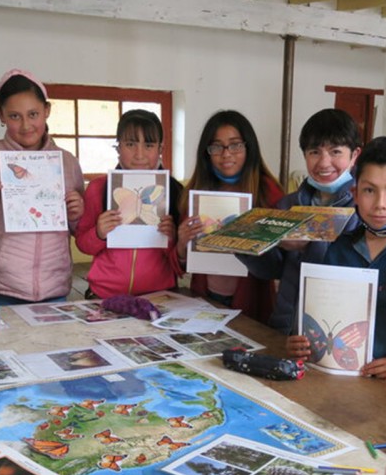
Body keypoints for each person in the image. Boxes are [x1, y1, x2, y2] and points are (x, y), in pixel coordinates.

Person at [286, 136, 386, 393]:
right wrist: (299, 342)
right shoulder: (338, 247)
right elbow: (317, 314)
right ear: (355, 194)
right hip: (333, 382)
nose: (380, 204)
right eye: (369, 190)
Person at [0, 69, 84, 306]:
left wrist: (77, 214)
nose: (26, 125)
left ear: (47, 111)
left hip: (54, 283)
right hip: (2, 285)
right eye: (14, 116)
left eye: (33, 114)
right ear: (0, 115)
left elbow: (79, 229)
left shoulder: (67, 162)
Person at [238, 108, 362, 332]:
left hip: (334, 331)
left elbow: (359, 274)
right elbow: (270, 271)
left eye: (335, 151)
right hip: (285, 326)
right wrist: (246, 244)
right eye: (314, 152)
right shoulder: (289, 205)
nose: (324, 163)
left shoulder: (363, 209)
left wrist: (310, 246)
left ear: (354, 155)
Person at [176, 110, 284, 323]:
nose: (226, 154)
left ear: (249, 148)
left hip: (253, 301)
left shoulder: (268, 192)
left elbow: (280, 263)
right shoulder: (196, 191)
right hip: (205, 297)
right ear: (207, 152)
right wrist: (181, 244)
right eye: (217, 147)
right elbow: (182, 262)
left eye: (235, 145)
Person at [75, 109, 183, 298]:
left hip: (160, 297)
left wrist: (172, 238)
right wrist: (99, 234)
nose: (139, 154)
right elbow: (83, 244)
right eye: (130, 144)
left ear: (160, 149)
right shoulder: (98, 188)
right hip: (104, 295)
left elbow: (181, 262)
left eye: (149, 145)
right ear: (118, 148)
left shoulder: (175, 192)